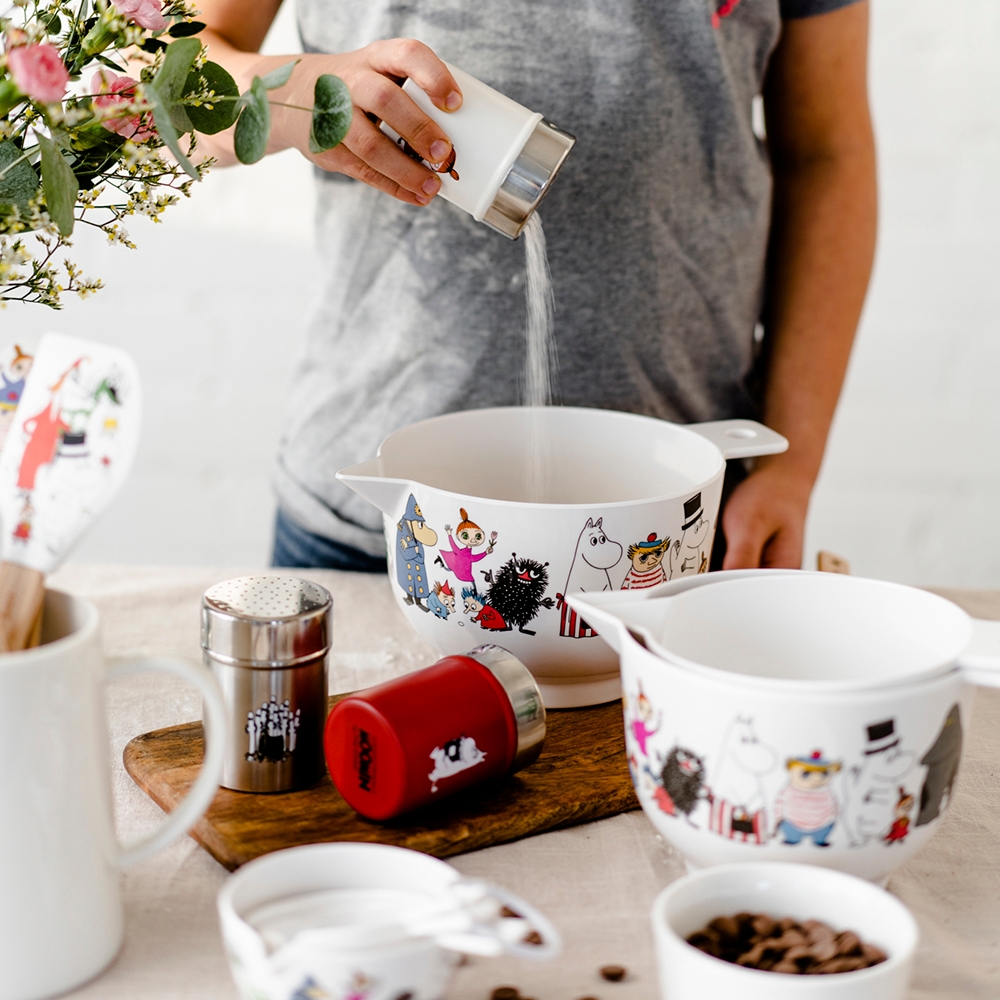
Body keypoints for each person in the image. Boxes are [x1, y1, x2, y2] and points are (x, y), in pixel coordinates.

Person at [197, 0, 876, 573]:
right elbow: (160, 79)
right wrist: (290, 97)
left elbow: (827, 153)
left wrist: (792, 462)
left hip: (679, 517)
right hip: (380, 522)